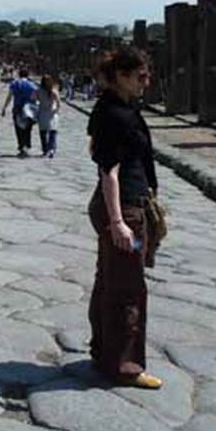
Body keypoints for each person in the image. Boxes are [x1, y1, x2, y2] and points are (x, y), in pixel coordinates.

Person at [87, 47, 163, 389]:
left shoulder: (119, 108)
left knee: (108, 280)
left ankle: (104, 351)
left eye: (148, 76)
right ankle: (125, 366)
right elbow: (109, 171)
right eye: (141, 76)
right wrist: (118, 221)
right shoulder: (114, 114)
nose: (147, 82)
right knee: (129, 288)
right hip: (123, 208)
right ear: (121, 76)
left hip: (127, 203)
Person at [1, 68, 37, 157]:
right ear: (27, 75)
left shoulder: (15, 84)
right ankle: (26, 146)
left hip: (17, 108)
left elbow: (10, 96)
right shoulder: (32, 85)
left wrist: (4, 107)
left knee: (18, 128)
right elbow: (35, 98)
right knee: (28, 128)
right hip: (28, 109)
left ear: (19, 74)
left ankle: (21, 146)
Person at [36, 74, 60, 158]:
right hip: (52, 113)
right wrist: (56, 110)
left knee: (43, 133)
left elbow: (33, 99)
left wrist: (39, 102)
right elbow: (58, 103)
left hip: (42, 112)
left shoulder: (38, 90)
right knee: (53, 132)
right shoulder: (54, 90)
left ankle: (45, 150)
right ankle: (52, 149)